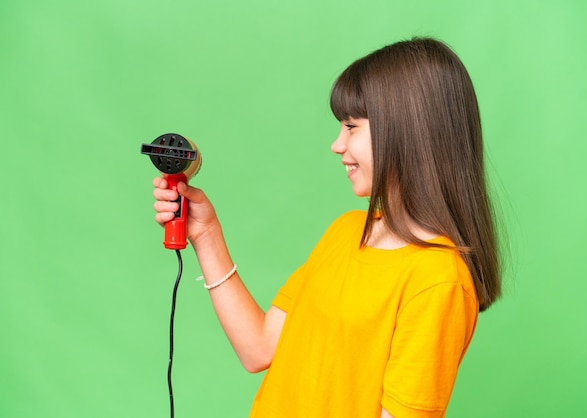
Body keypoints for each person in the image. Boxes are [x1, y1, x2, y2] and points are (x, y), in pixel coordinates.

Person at [152, 37, 501, 418]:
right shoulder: (346, 232)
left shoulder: (438, 280)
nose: (337, 144)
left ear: (409, 131)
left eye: (352, 127)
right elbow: (259, 348)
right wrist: (206, 234)